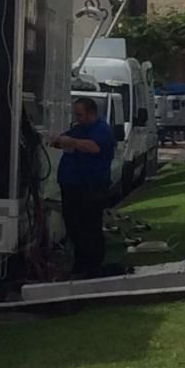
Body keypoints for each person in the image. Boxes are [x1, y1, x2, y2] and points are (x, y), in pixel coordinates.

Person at [52, 97, 116, 278]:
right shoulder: (78, 129)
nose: (77, 117)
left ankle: (92, 265)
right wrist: (58, 140)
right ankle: (80, 264)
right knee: (73, 227)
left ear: (91, 113)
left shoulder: (101, 129)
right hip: (71, 187)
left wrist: (70, 142)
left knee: (89, 227)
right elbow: (60, 141)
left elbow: (93, 147)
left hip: (90, 187)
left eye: (80, 114)